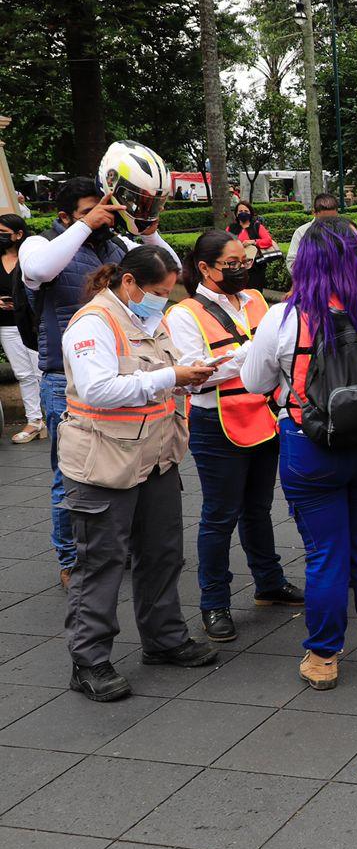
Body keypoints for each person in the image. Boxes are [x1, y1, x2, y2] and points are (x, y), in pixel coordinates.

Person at [240, 217, 357, 690]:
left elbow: (254, 382)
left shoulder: (284, 317)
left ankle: (323, 657)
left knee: (326, 554)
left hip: (311, 446)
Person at [59, 246, 221, 700]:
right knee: (102, 563)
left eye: (168, 294)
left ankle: (165, 640)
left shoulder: (149, 319)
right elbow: (100, 388)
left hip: (157, 457)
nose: (162, 302)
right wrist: (172, 377)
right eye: (156, 292)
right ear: (128, 282)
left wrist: (196, 374)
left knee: (163, 553)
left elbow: (163, 374)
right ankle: (89, 661)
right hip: (103, 464)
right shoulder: (94, 323)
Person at [20, 178, 176, 589]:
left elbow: (166, 269)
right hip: (62, 379)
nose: (105, 215)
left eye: (108, 208)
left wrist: (147, 229)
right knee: (70, 475)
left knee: (130, 466)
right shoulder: (38, 244)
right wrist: (86, 225)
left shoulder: (117, 247)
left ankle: (115, 547)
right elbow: (38, 270)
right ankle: (72, 559)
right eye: (94, 208)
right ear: (66, 215)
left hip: (125, 372)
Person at [166, 229, 302, 642]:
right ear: (205, 268)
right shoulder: (184, 314)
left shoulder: (256, 300)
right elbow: (195, 376)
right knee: (219, 516)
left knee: (258, 508)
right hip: (215, 424)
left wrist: (252, 353)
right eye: (232, 264)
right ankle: (214, 602)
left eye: (245, 261)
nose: (242, 269)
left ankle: (269, 581)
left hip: (264, 415)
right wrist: (252, 350)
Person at [0, 214, 44, 443]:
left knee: (41, 372)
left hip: (32, 322)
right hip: (6, 324)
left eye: (4, 233)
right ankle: (34, 420)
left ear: (18, 234)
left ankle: (53, 416)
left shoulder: (31, 255)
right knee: (24, 374)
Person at [286, 193, 342, 266]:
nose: (328, 223)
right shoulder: (302, 232)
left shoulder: (343, 230)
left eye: (332, 219)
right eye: (324, 219)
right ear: (314, 213)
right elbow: (292, 261)